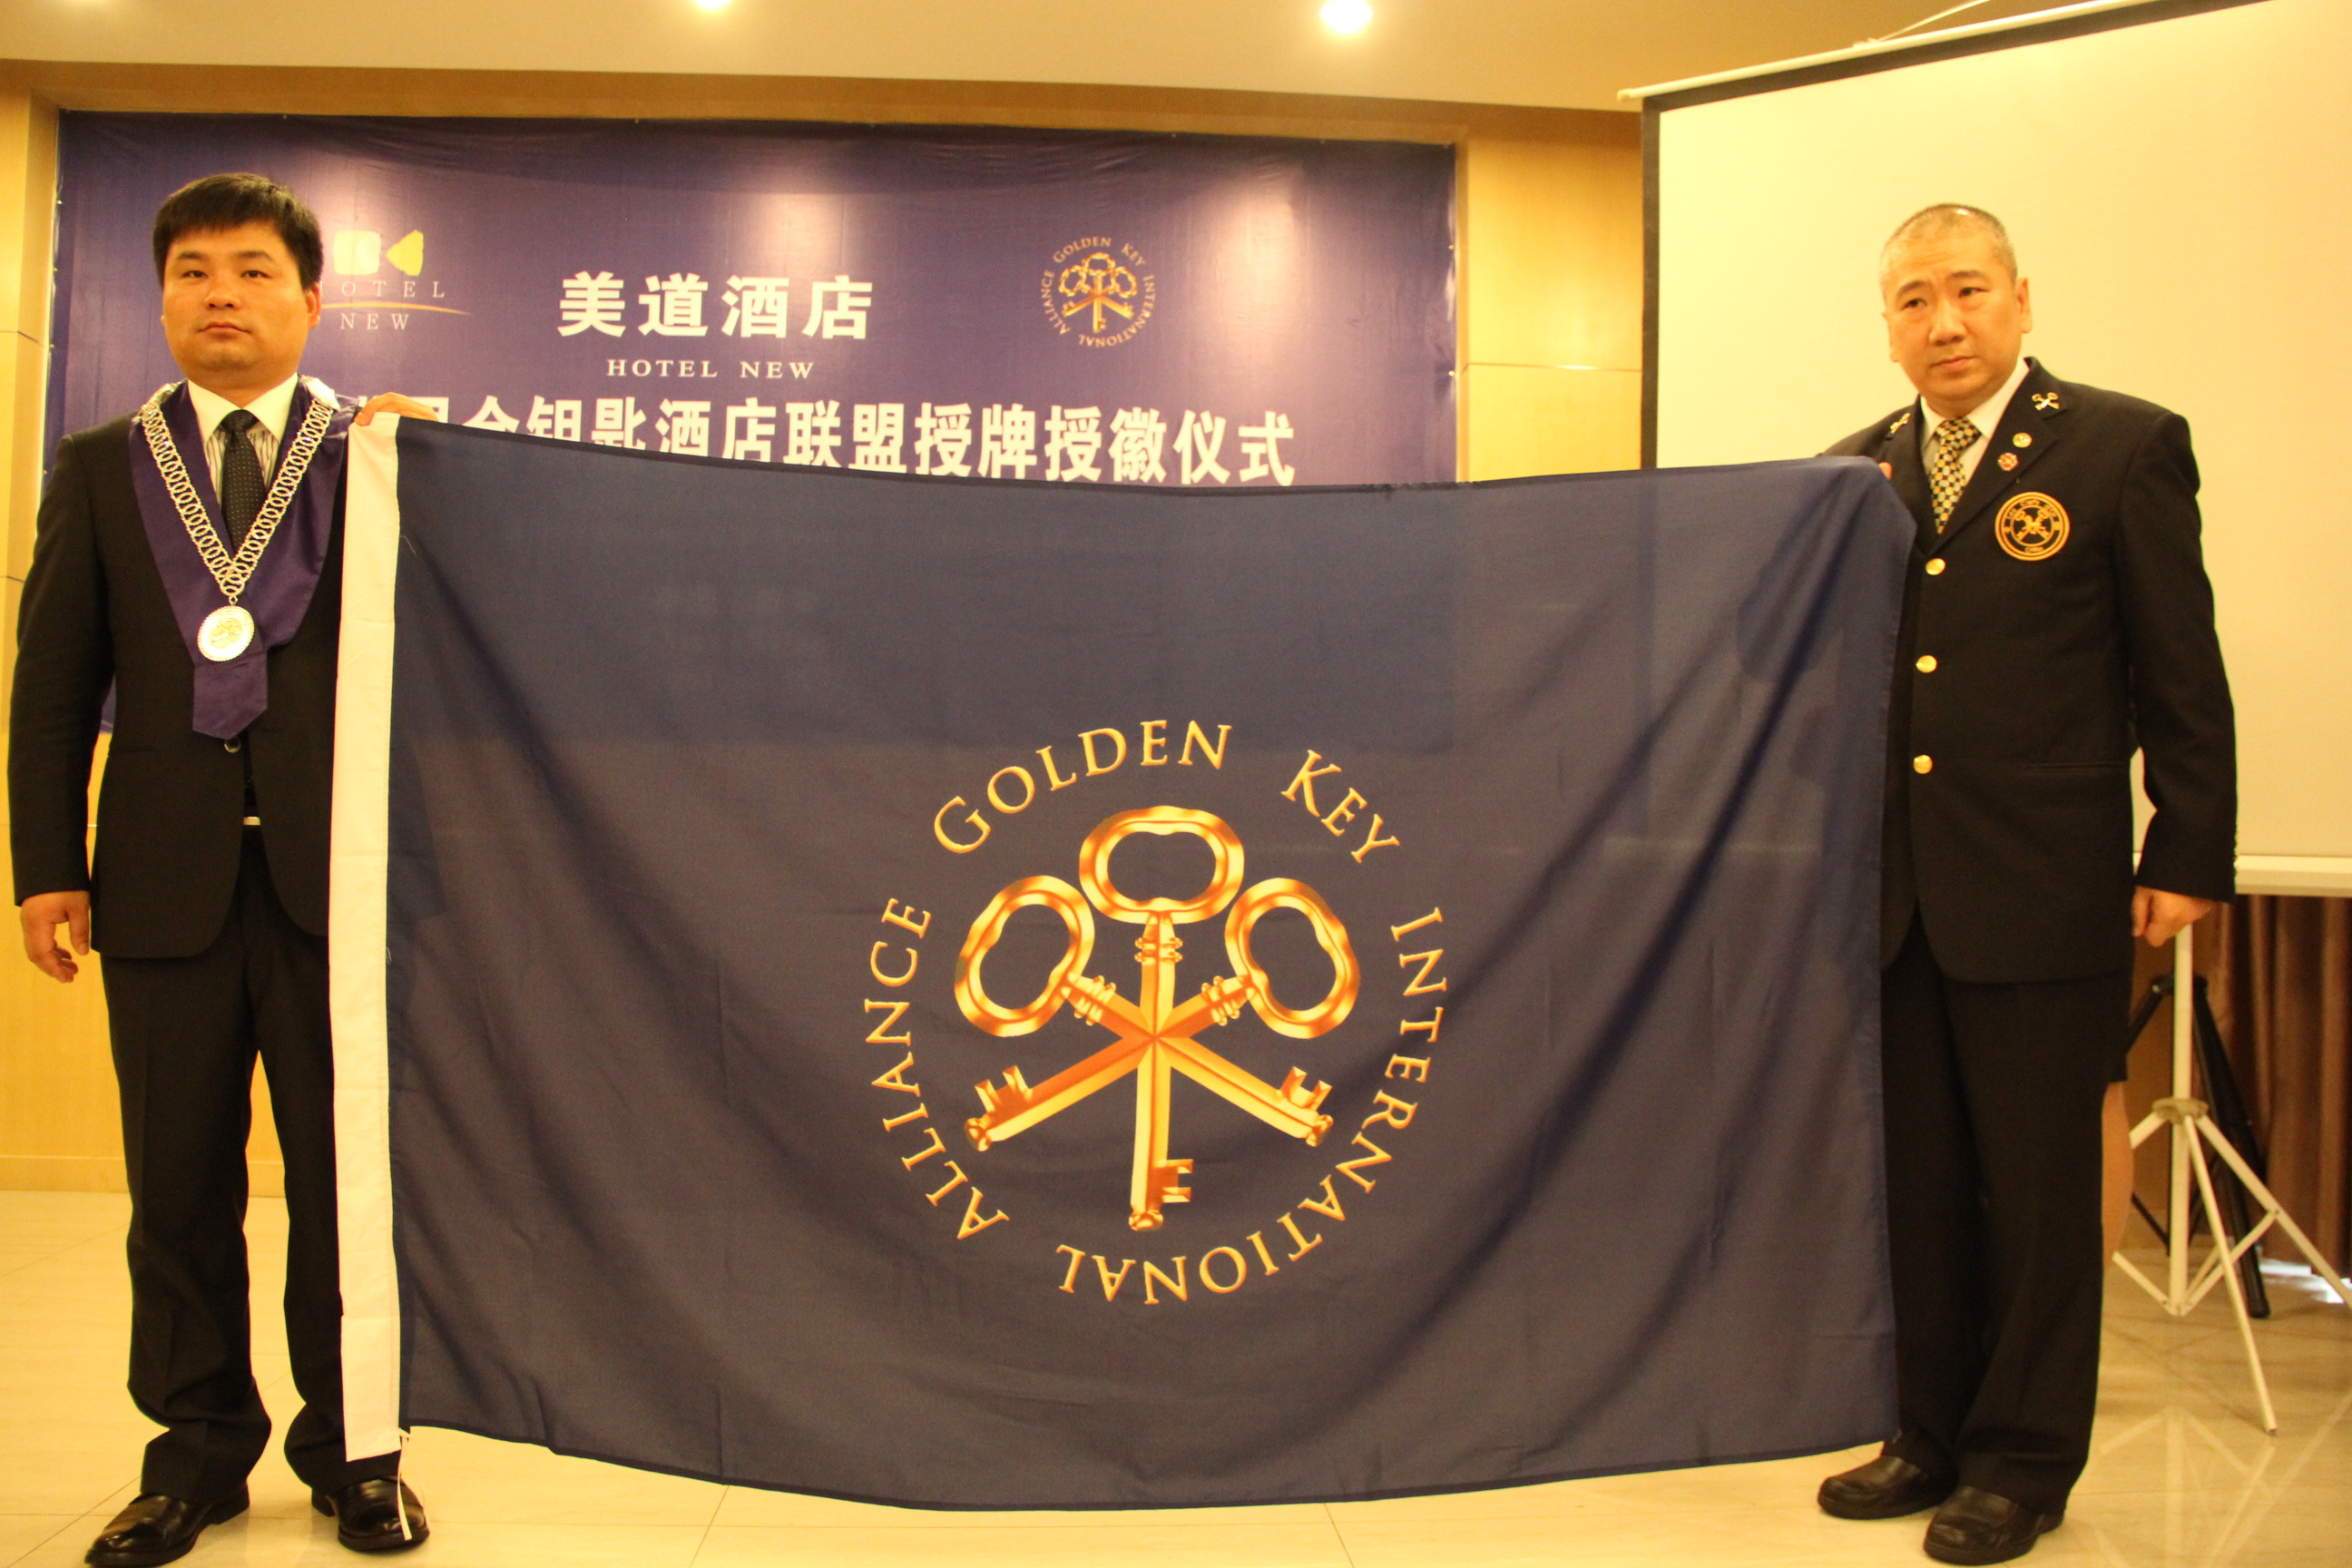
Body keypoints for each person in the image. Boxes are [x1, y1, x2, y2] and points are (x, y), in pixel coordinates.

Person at [11, 173, 440, 1568]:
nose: (221, 296)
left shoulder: (377, 462)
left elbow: (452, 662)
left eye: (253, 271)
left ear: (311, 301)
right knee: (178, 1190)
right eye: (193, 272)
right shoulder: (100, 467)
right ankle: (194, 1455)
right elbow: (53, 684)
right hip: (158, 885)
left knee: (345, 1188)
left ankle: (356, 1453)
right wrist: (45, 865)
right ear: (161, 301)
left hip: (342, 889)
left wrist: (444, 477)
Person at [1814, 205, 2235, 1565]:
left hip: (2046, 889)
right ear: (1887, 326)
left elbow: (2180, 669)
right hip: (1895, 899)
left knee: (2042, 1196)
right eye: (1913, 301)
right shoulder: (1851, 475)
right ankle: (1927, 1434)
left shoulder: (2120, 447)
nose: (1943, 323)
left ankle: (2023, 1461)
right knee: (1919, 1189)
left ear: (2021, 299)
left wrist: (2189, 848)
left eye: (1967, 291)